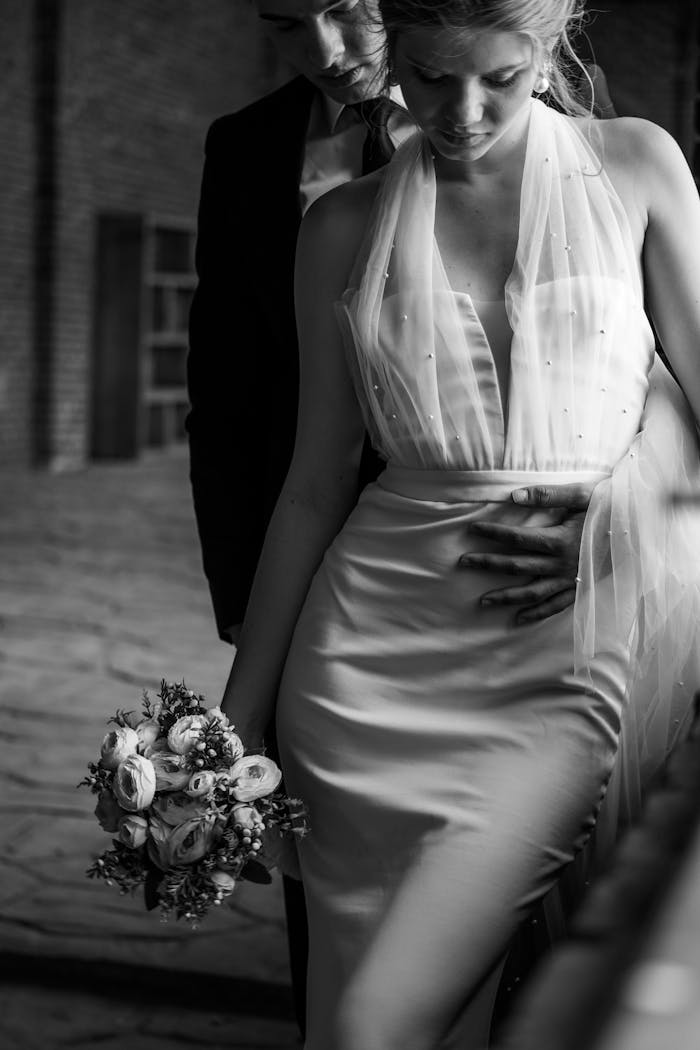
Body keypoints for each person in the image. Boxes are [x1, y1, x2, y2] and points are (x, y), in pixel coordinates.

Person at [218, 0, 700, 1046]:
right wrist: (236, 716)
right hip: (365, 665)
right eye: (432, 77)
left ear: (551, 47)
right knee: (360, 1018)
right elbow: (312, 483)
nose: (463, 112)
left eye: (501, 77)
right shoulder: (340, 226)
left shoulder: (637, 169)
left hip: (567, 655)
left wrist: (615, 523)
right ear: (397, 47)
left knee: (402, 1015)